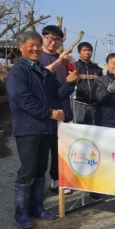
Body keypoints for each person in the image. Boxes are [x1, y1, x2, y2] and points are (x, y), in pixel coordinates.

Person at [6, 31, 78, 229]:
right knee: (27, 170)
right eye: (31, 45)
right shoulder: (18, 71)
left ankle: (36, 207)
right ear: (21, 47)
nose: (36, 48)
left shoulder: (43, 71)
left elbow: (57, 94)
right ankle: (21, 212)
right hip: (28, 129)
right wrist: (48, 113)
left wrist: (69, 84)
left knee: (40, 169)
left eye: (38, 44)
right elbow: (22, 99)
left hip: (46, 129)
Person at [39, 25, 74, 194]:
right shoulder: (38, 58)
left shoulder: (65, 60)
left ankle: (57, 179)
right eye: (50, 38)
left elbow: (74, 80)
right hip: (44, 112)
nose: (53, 42)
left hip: (63, 108)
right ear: (43, 38)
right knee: (41, 150)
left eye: (57, 39)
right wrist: (60, 61)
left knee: (60, 148)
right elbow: (41, 78)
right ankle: (37, 185)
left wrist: (72, 66)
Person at [73, 42, 103, 125]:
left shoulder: (97, 69)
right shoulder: (74, 67)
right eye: (84, 50)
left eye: (89, 50)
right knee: (78, 129)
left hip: (94, 105)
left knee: (93, 129)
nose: (87, 52)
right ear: (79, 53)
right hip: (78, 104)